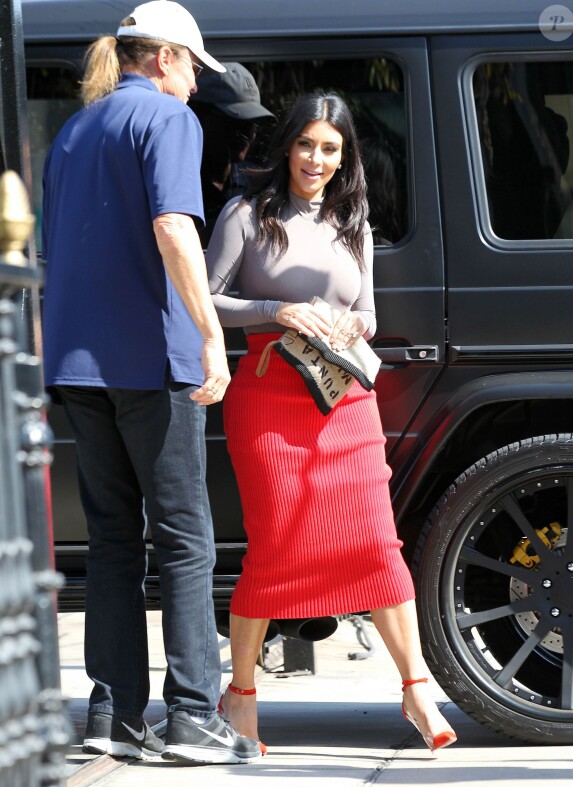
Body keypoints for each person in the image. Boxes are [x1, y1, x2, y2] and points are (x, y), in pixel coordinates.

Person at [204, 92, 458, 755]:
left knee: (378, 544)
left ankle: (413, 686)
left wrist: (352, 322)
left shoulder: (354, 218)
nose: (316, 159)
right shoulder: (246, 213)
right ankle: (242, 695)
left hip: (345, 401)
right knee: (276, 546)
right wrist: (275, 310)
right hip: (269, 399)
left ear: (345, 156)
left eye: (331, 148)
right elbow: (203, 298)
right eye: (307, 144)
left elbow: (368, 312)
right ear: (287, 145)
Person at [41, 0, 261, 766]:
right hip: (151, 359)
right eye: (194, 71)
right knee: (186, 536)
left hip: (77, 362)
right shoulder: (168, 122)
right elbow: (175, 228)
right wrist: (209, 335)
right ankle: (195, 714)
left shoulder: (72, 131)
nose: (196, 87)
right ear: (166, 58)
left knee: (110, 542)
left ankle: (114, 711)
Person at [189, 62, 274, 246]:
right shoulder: (178, 186)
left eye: (254, 124)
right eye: (236, 121)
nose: (249, 134)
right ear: (199, 117)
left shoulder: (258, 185)